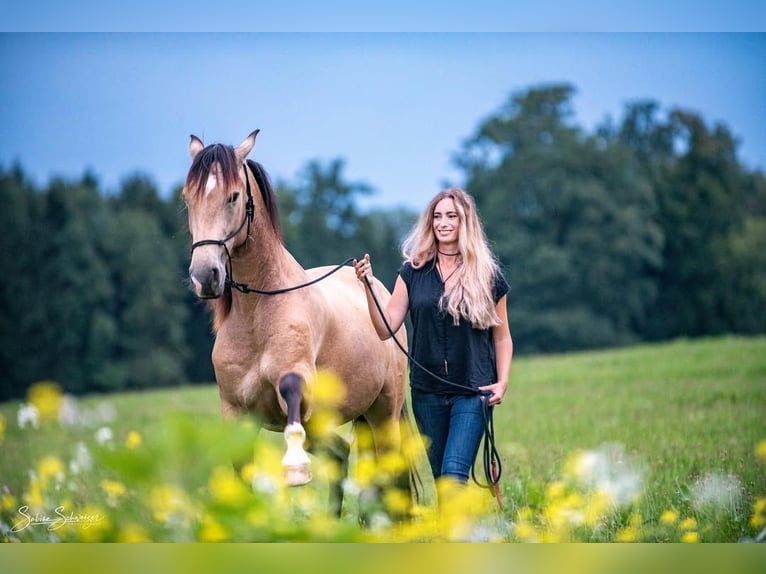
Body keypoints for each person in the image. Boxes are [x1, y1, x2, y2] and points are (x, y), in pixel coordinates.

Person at [354, 187, 513, 485]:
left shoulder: (488, 275)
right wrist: (368, 286)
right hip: (427, 394)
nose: (443, 223)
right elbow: (385, 328)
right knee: (442, 479)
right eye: (437, 216)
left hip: (472, 391)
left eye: (451, 216)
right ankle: (452, 532)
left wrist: (502, 382)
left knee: (453, 476)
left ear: (465, 221)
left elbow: (502, 338)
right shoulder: (412, 272)